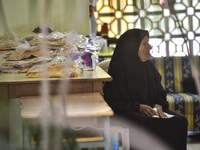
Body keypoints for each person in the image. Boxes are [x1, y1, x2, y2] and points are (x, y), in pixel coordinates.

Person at [103, 29, 188, 150]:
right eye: (144, 43)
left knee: (180, 121)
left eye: (149, 42)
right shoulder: (119, 68)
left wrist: (159, 105)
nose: (150, 46)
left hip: (150, 110)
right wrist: (138, 107)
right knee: (149, 124)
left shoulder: (148, 65)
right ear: (132, 47)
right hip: (127, 111)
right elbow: (112, 101)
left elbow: (160, 92)